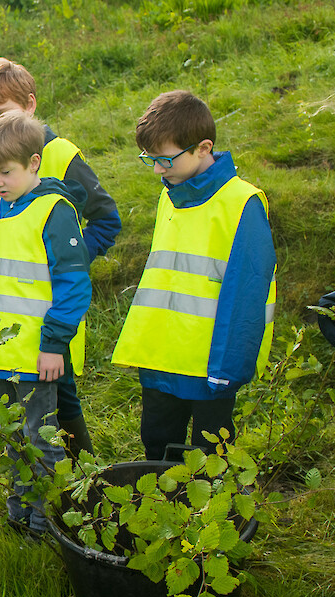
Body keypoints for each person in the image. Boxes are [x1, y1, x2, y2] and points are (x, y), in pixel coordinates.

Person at [0, 57, 122, 459]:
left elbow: (106, 220)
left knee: (54, 412)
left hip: (45, 317)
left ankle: (80, 491)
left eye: (0, 113)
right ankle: (54, 498)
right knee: (21, 423)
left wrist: (61, 265)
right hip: (0, 318)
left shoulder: (60, 156)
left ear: (30, 104)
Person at [111, 90, 277, 462]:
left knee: (211, 456)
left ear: (203, 148)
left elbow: (247, 293)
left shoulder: (242, 204)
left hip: (210, 367)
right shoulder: (169, 195)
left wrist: (229, 366)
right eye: (149, 160)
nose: (157, 169)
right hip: (160, 357)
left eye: (165, 159)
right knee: (157, 444)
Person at [0, 112, 91, 538]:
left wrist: (54, 344)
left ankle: (45, 523)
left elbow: (73, 285)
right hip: (1, 353)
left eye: (6, 172)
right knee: (13, 437)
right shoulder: (1, 208)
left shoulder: (54, 211)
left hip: (38, 357)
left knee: (41, 440)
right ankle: (18, 515)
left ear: (34, 163)